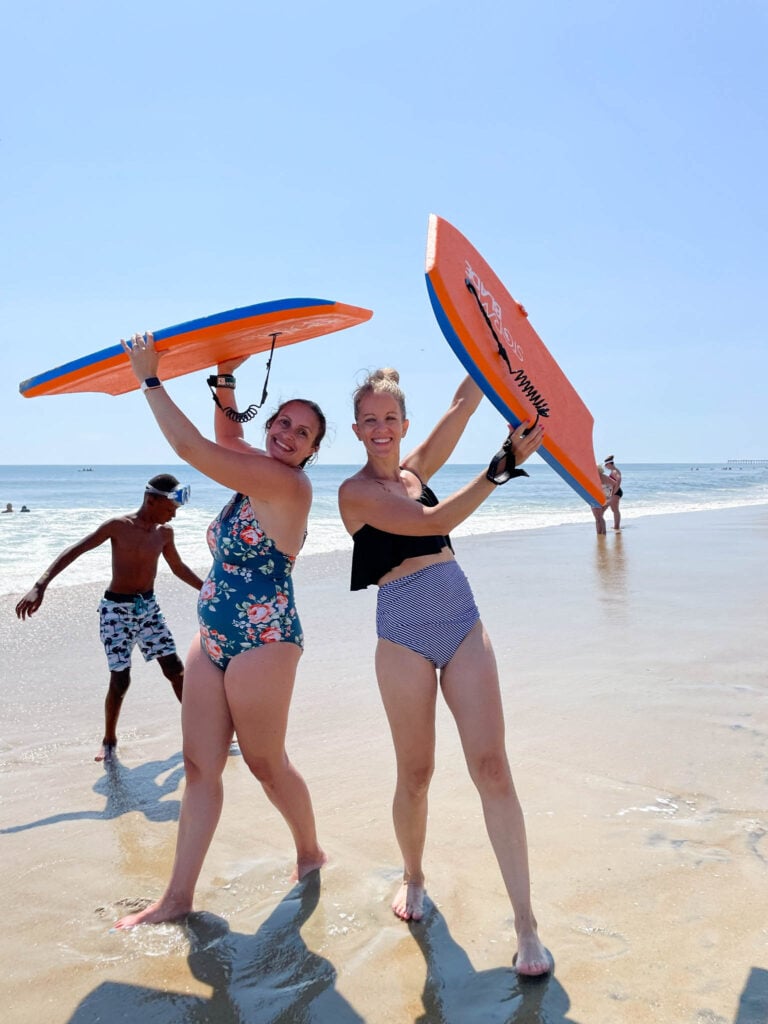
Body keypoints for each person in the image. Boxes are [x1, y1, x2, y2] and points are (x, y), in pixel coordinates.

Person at [337, 368, 551, 977]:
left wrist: (486, 347)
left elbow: (462, 401)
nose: (382, 429)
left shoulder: (414, 472)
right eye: (370, 420)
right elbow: (432, 524)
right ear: (357, 430)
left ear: (405, 425)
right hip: (402, 630)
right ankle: (413, 874)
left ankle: (526, 926)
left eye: (390, 419)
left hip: (460, 616)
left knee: (492, 766)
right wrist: (499, 467)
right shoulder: (355, 493)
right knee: (417, 771)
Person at [114, 333, 327, 930]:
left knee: (265, 763)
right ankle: (177, 896)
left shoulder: (287, 486)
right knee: (199, 765)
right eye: (282, 421)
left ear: (310, 453)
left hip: (266, 643)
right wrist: (225, 378)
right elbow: (229, 437)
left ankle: (309, 850)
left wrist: (149, 378)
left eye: (301, 433)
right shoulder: (255, 471)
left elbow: (191, 446)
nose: (285, 433)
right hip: (211, 642)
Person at [15, 474, 204, 762]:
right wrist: (40, 585)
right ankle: (109, 740)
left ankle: (200, 732)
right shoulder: (118, 526)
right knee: (121, 679)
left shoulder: (164, 533)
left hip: (148, 609)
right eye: (170, 509)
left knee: (175, 670)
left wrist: (208, 590)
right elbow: (75, 551)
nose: (173, 515)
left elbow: (178, 567)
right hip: (116, 611)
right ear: (151, 500)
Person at [591, 464, 615, 535]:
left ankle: (600, 534)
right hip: (607, 500)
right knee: (600, 517)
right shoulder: (605, 477)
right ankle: (602, 533)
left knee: (598, 518)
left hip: (597, 499)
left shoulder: (595, 478)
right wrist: (611, 495)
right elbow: (614, 484)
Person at [604, 455, 623, 530]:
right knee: (614, 510)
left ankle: (617, 527)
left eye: (606, 465)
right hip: (615, 492)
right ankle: (616, 526)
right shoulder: (614, 471)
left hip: (616, 492)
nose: (605, 466)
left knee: (615, 510)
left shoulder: (615, 471)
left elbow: (618, 480)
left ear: (609, 464)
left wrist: (613, 493)